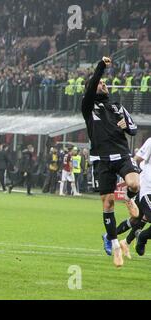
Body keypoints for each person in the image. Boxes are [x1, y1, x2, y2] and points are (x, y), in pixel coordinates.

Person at [81, 56, 140, 268]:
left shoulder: (117, 107)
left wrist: (126, 126)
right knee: (107, 204)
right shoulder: (88, 107)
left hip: (122, 154)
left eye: (105, 83)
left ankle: (129, 197)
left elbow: (133, 129)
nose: (104, 84)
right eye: (100, 83)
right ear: (92, 88)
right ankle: (115, 246)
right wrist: (101, 67)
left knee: (134, 183)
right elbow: (96, 79)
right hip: (101, 159)